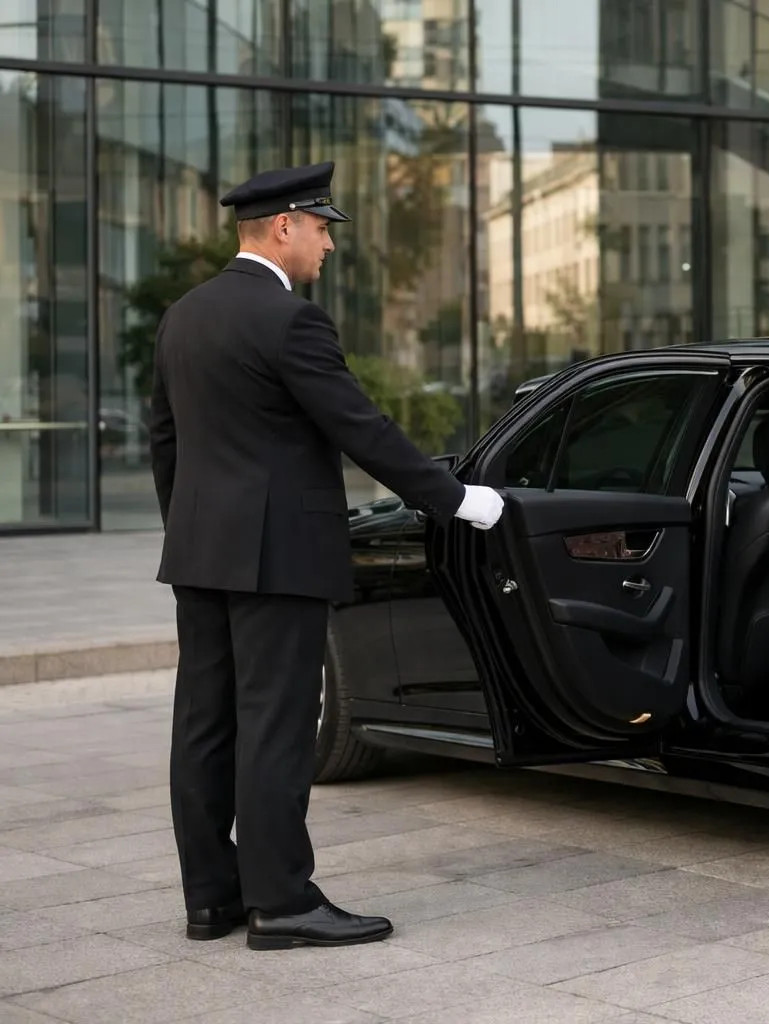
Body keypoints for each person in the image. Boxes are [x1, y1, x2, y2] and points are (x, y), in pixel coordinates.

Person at [148, 161, 505, 951]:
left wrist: (194, 528)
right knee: (277, 726)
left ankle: (211, 899)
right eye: (321, 229)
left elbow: (165, 443)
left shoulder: (183, 317)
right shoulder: (291, 321)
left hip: (201, 553)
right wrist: (457, 499)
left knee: (204, 726)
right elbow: (360, 426)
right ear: (283, 226)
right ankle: (280, 903)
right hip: (278, 555)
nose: (328, 246)